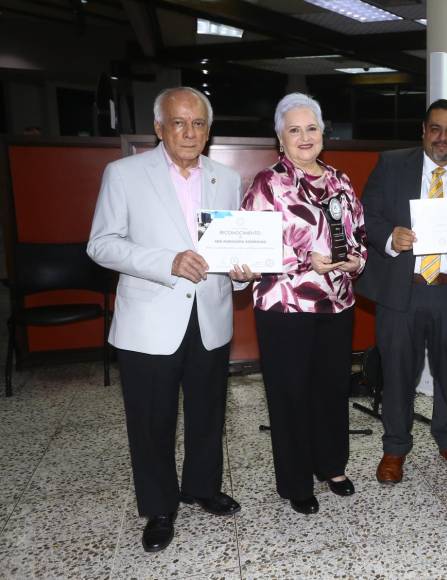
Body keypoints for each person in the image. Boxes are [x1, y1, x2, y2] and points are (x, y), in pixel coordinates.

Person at [88, 87, 258, 552]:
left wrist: (244, 274)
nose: (189, 133)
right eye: (178, 123)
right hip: (148, 319)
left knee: (207, 413)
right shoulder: (123, 173)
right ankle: (160, 507)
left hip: (211, 316)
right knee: (151, 420)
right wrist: (167, 261)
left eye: (198, 123)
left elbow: (232, 248)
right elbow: (101, 244)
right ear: (159, 127)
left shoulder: (226, 177)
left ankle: (202, 487)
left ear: (209, 129)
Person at [356, 99, 447, 483]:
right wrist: (390, 236)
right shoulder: (391, 165)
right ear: (423, 131)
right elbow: (366, 215)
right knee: (398, 372)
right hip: (403, 290)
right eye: (435, 129)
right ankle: (395, 448)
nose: (443, 138)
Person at [241, 93, 367, 515]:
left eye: (311, 128)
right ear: (281, 139)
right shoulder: (267, 184)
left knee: (332, 389)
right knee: (290, 394)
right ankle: (295, 481)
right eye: (294, 130)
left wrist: (355, 260)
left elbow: (359, 237)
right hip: (285, 308)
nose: (304, 136)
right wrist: (302, 259)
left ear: (322, 133)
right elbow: (252, 251)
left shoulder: (341, 181)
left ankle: (332, 466)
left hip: (338, 304)